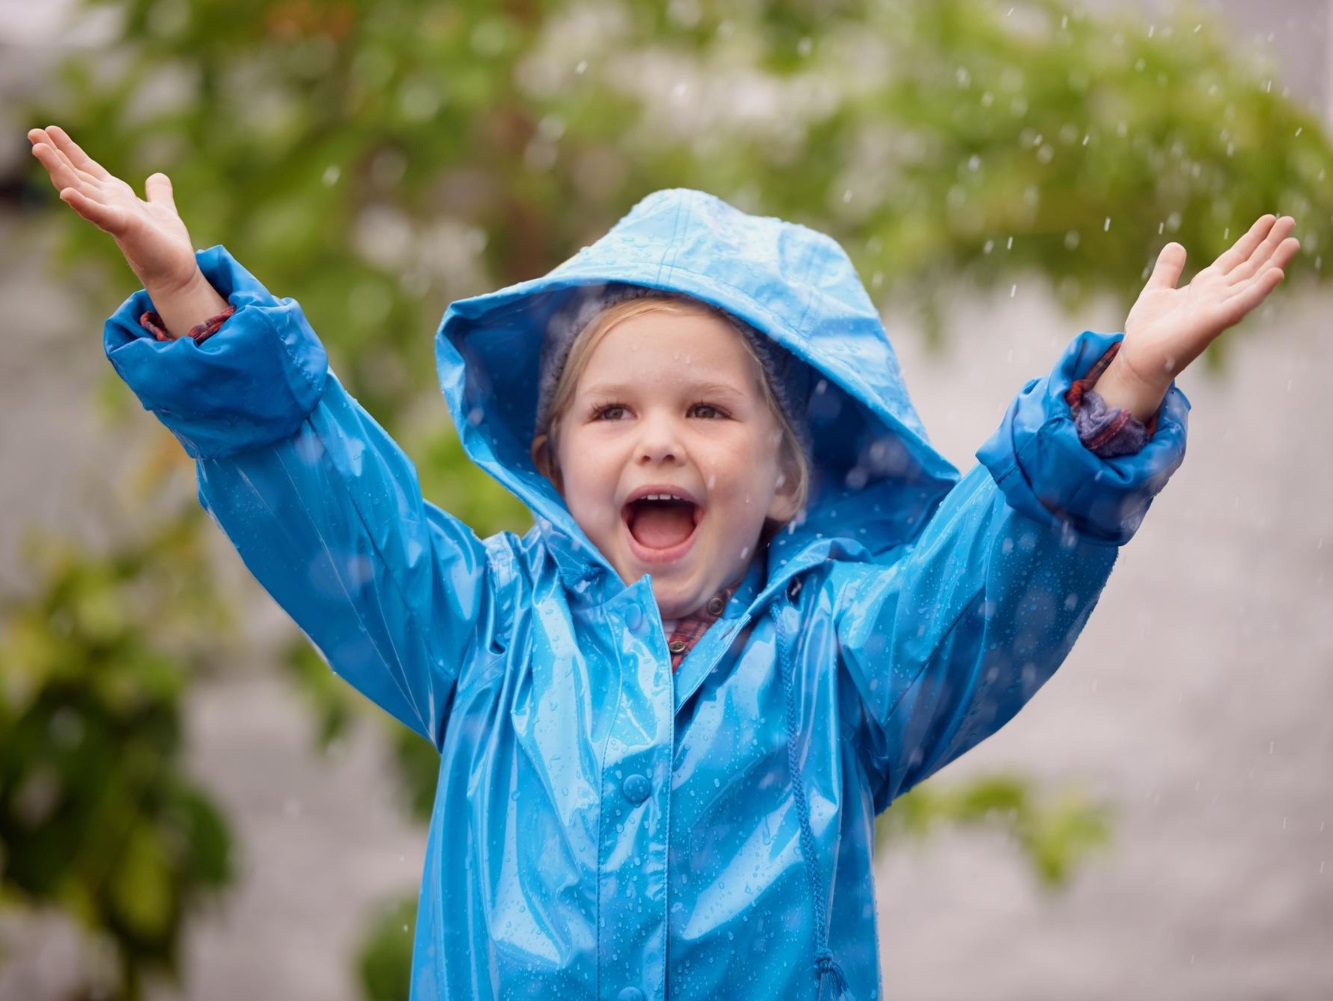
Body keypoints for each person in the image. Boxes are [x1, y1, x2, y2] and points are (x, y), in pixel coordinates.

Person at [28, 124, 1298, 1001]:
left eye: (706, 411)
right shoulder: (481, 633)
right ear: (553, 456)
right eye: (614, 412)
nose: (659, 442)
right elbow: (332, 508)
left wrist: (1119, 393)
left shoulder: (842, 664)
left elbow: (987, 571)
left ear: (787, 473)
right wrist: (201, 320)